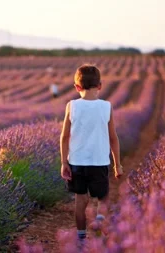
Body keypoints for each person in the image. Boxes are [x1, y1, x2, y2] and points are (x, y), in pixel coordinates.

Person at [60, 64, 123, 244]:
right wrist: (117, 164)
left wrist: (64, 162)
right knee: (102, 198)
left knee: (80, 201)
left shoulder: (71, 106)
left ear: (77, 87)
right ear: (100, 86)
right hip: (99, 162)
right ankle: (100, 224)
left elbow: (64, 137)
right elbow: (113, 138)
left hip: (77, 162)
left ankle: (81, 238)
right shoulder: (106, 106)